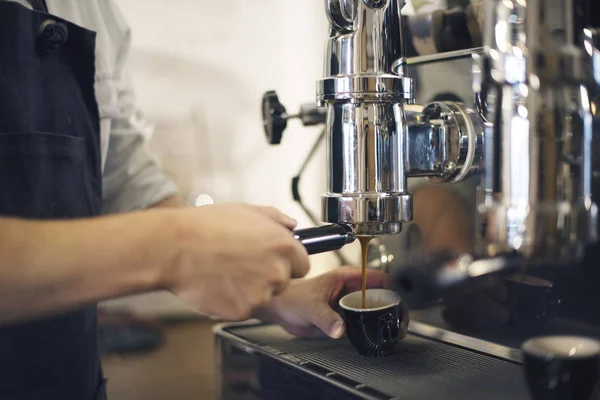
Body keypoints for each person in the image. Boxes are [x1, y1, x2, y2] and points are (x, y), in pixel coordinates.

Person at [0, 1, 400, 399]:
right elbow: (170, 243)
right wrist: (177, 247)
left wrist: (277, 293)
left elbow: (126, 182)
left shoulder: (93, 10)